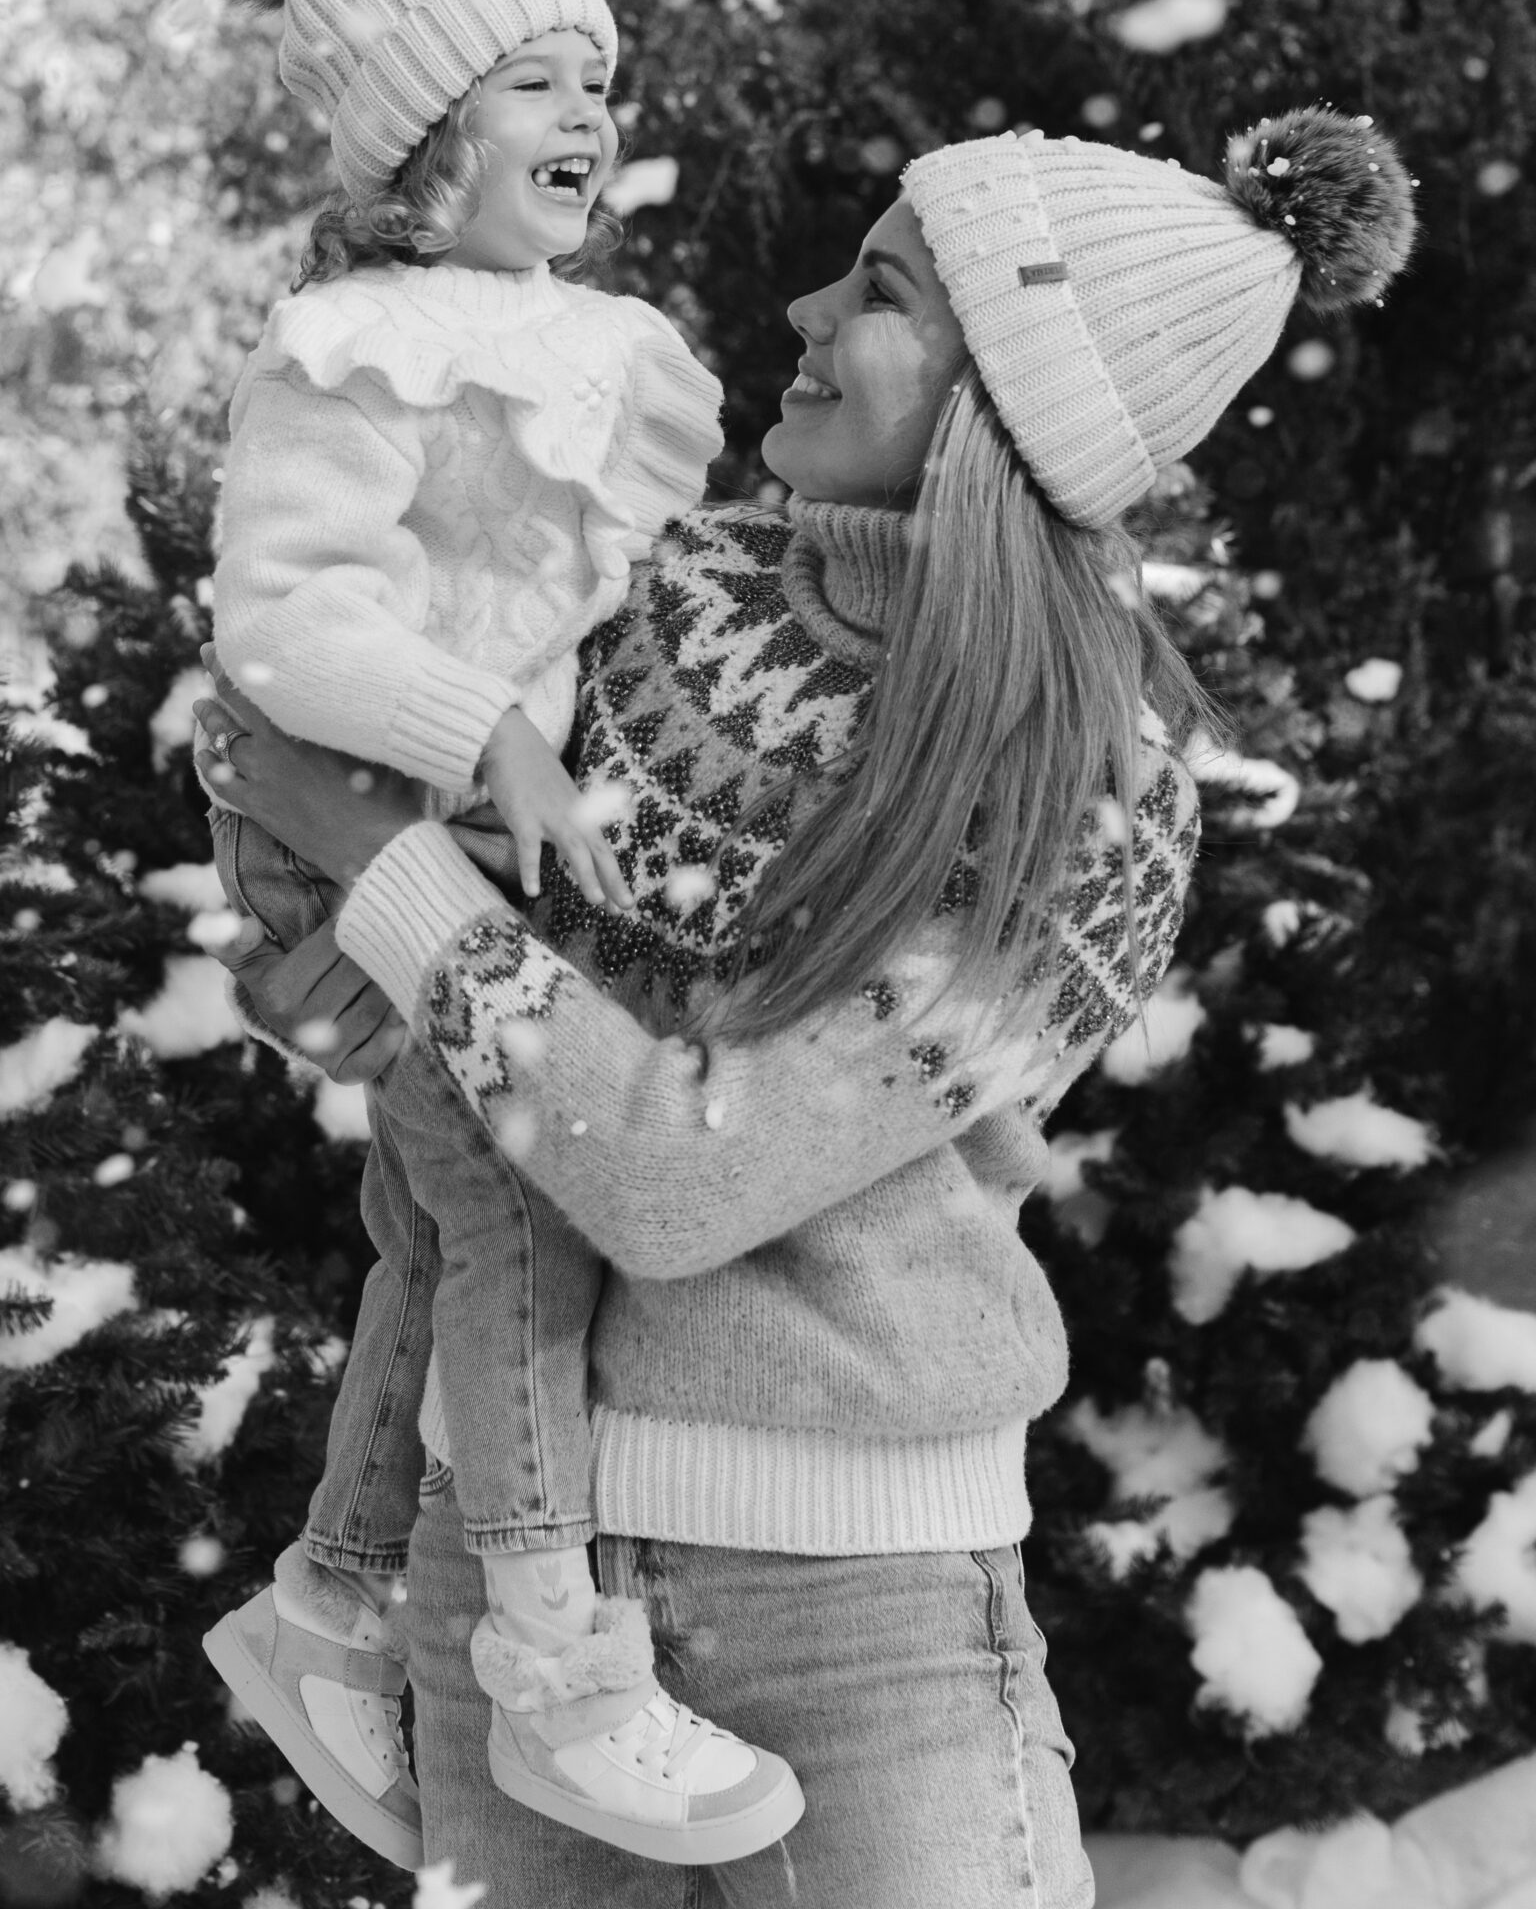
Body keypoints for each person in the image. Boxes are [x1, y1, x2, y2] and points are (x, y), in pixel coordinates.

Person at [195, 103, 1415, 1904]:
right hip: (509, 1583)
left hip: (873, 1623)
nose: (796, 309)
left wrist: (394, 887)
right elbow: (443, 945)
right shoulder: (651, 593)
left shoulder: (1097, 796)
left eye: (882, 290)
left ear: (1014, 399)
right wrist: (328, 952)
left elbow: (686, 1173)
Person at [196, 0, 803, 1871]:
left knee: (443, 1222)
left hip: (490, 841)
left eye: (597, 77)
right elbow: (284, 626)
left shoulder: (603, 344)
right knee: (524, 1212)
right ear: (424, 136)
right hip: (352, 825)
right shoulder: (347, 350)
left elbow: (611, 596)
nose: (592, 111)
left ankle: (338, 1589)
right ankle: (557, 1657)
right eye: (539, 78)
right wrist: (488, 733)